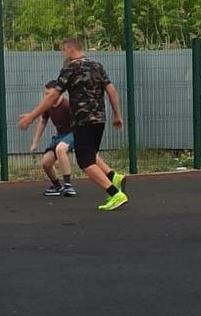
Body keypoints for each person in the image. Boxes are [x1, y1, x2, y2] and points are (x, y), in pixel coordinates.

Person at [18, 37, 128, 211]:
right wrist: (117, 115)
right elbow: (111, 90)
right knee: (90, 155)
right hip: (99, 119)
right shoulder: (97, 66)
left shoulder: (70, 68)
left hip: (82, 121)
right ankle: (113, 176)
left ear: (70, 49)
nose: (63, 54)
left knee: (85, 163)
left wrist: (31, 116)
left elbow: (53, 96)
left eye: (64, 50)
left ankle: (115, 193)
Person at [29, 80, 76, 197]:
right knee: (46, 163)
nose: (46, 97)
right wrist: (34, 142)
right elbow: (42, 122)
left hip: (73, 133)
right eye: (45, 94)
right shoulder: (48, 106)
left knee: (60, 149)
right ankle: (57, 187)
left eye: (49, 94)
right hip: (59, 136)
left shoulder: (67, 105)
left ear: (58, 94)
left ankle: (68, 186)